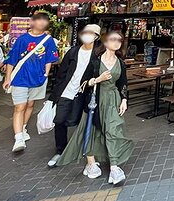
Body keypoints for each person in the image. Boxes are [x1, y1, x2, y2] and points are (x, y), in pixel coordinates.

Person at [57, 31, 133, 185]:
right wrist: (98, 79)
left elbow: (122, 84)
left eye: (119, 40)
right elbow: (84, 83)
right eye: (113, 39)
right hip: (95, 101)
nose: (117, 42)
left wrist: (124, 99)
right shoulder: (95, 61)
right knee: (91, 132)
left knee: (113, 131)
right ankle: (91, 163)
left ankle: (114, 167)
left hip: (113, 101)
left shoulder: (120, 62)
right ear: (105, 42)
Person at [3, 11, 59, 152]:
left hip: (38, 79)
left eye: (44, 20)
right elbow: (11, 59)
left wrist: (46, 74)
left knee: (30, 105)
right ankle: (18, 138)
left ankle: (23, 127)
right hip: (20, 79)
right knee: (19, 107)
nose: (41, 22)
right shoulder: (22, 40)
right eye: (38, 20)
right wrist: (7, 78)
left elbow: (49, 59)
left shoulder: (49, 40)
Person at [47, 24, 101, 167]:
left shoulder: (98, 54)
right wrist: (54, 95)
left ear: (96, 36)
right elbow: (62, 74)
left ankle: (86, 152)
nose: (87, 35)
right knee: (59, 120)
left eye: (91, 33)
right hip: (67, 91)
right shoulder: (73, 52)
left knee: (82, 122)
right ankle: (60, 150)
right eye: (85, 32)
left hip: (85, 93)